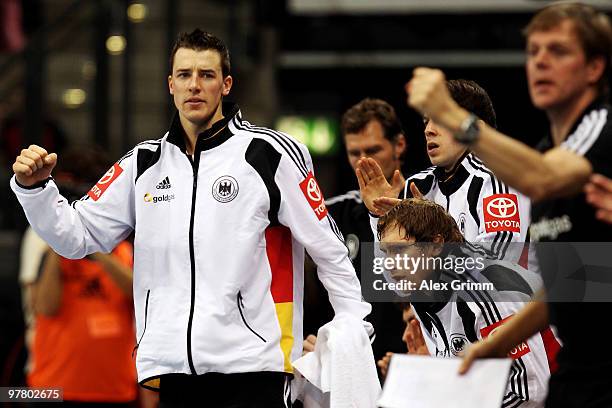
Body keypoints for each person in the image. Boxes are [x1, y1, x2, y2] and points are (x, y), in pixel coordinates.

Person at [10, 29, 372, 408]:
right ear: (170, 84)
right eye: (184, 75)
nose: (194, 85)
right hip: (174, 370)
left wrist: (352, 326)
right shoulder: (143, 164)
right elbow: (75, 236)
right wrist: (35, 190)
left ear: (226, 84)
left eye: (207, 75)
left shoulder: (267, 153)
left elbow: (328, 249)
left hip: (254, 367)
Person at [405, 3, 612, 406]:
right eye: (533, 52)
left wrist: (456, 118)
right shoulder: (546, 153)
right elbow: (571, 283)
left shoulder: (601, 128)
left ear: (594, 68)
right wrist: (492, 346)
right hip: (578, 370)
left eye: (558, 51)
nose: (541, 62)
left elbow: (543, 179)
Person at [377, 198, 550, 408]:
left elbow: (528, 392)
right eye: (386, 252)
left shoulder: (487, 288)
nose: (389, 263)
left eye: (400, 250)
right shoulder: (422, 290)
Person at [357, 79, 532, 263]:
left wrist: (436, 228)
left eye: (440, 119)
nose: (428, 130)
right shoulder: (417, 186)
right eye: (426, 121)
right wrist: (380, 218)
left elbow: (498, 263)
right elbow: (395, 280)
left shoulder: (498, 179)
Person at [19, 147, 139, 406]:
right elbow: (44, 307)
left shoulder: (120, 244)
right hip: (51, 388)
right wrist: (61, 243)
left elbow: (138, 293)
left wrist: (92, 244)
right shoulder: (42, 235)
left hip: (114, 387)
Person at [303, 98, 406, 368]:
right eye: (354, 152)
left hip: (410, 365)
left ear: (399, 145)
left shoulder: (432, 207)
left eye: (373, 149)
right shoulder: (329, 217)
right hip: (346, 371)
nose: (363, 161)